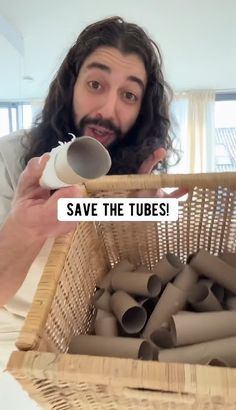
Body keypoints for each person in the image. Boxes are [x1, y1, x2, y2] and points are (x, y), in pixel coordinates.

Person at [0, 16, 182, 366]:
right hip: (14, 340)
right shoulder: (11, 160)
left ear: (142, 110)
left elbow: (130, 287)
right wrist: (27, 228)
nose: (107, 110)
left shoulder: (134, 182)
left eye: (129, 95)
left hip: (95, 341)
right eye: (96, 84)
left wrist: (142, 227)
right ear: (71, 85)